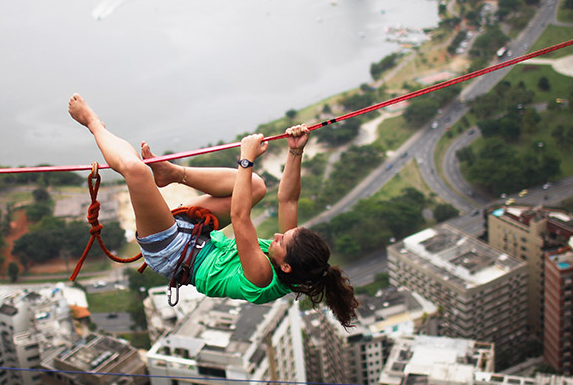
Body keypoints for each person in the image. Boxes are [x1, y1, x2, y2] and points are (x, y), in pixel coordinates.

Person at [68, 93, 359, 327]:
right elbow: (289, 201)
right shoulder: (292, 263)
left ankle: (93, 123)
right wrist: (295, 152)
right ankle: (172, 173)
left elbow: (239, 216)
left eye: (283, 240)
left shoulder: (262, 277)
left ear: (285, 266)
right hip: (201, 237)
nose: (278, 235)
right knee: (256, 186)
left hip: (172, 252)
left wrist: (245, 159)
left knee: (135, 171)